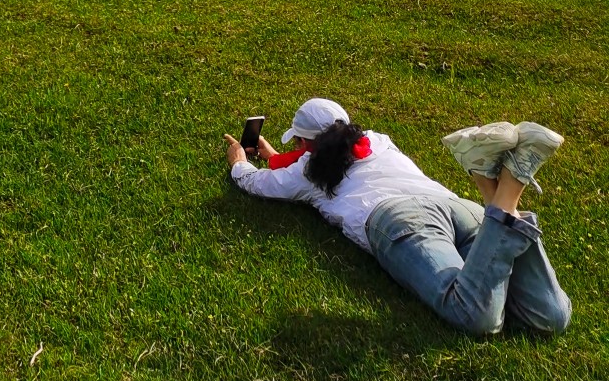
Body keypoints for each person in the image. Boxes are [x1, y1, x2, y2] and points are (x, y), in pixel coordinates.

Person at [224, 98, 571, 337]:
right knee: (549, 317)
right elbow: (314, 155)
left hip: (400, 221)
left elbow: (256, 183)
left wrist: (239, 160)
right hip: (457, 207)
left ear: (306, 143)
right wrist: (277, 154)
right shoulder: (378, 140)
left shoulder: (308, 172)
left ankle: (508, 187)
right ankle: (488, 184)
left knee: (474, 314)